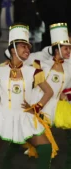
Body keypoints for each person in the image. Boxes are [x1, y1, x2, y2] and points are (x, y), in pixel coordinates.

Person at [0, 23, 58, 169]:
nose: (28, 49)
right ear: (13, 49)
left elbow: (49, 92)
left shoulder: (33, 71)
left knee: (45, 148)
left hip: (24, 116)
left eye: (28, 47)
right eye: (23, 46)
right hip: (2, 115)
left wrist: (36, 107)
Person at [30, 23, 71, 169]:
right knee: (40, 144)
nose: (69, 51)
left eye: (70, 48)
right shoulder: (43, 64)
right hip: (37, 107)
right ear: (57, 49)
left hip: (53, 109)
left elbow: (63, 88)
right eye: (66, 48)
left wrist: (64, 96)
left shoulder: (68, 67)